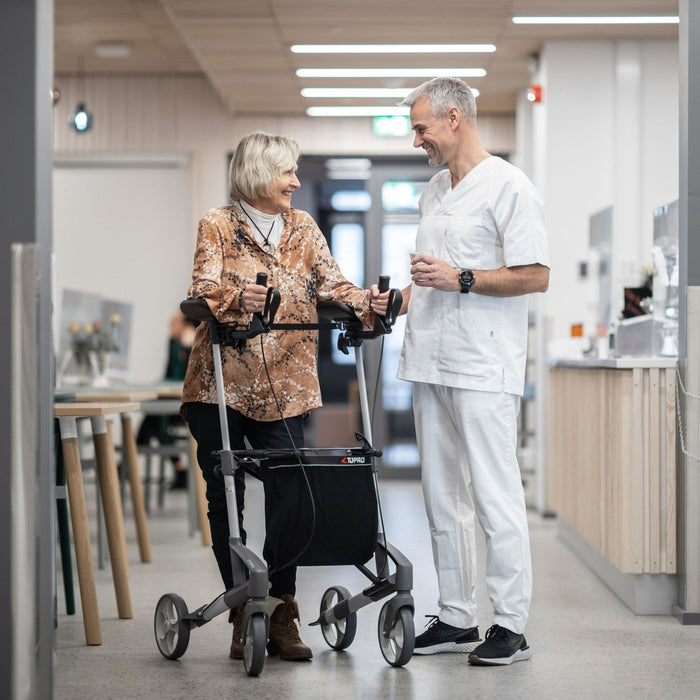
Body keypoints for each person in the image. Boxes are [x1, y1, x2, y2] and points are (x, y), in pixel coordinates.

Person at [370, 77, 549, 665]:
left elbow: (535, 274)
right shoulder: (434, 189)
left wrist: (463, 278)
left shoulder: (509, 186)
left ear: (453, 118)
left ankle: (511, 626)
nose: (417, 139)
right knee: (442, 498)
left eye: (421, 127)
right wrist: (395, 302)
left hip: (482, 364)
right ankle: (456, 617)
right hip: (429, 360)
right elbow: (433, 278)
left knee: (495, 497)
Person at [181, 131, 376, 662]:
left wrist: (369, 302)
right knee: (227, 493)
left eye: (295, 172)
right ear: (255, 175)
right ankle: (244, 608)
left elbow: (335, 285)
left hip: (285, 387)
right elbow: (201, 290)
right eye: (285, 171)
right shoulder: (217, 224)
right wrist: (234, 296)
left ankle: (282, 605)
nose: (294, 181)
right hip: (220, 383)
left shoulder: (303, 228)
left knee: (291, 490)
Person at [136, 310, 196, 490]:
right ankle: (179, 469)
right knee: (153, 419)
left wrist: (186, 348)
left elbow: (186, 378)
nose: (171, 325)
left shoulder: (195, 344)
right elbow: (169, 374)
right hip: (170, 404)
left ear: (186, 324)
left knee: (152, 422)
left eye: (175, 321)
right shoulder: (172, 343)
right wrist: (177, 347)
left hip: (185, 408)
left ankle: (131, 456)